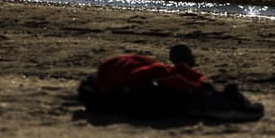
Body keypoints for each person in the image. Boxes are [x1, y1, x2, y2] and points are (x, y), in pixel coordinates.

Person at [79, 43, 264, 122]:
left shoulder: (106, 81)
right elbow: (146, 75)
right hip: (155, 94)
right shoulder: (107, 80)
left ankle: (216, 100)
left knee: (180, 91)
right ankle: (221, 104)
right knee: (183, 95)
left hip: (140, 90)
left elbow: (145, 74)